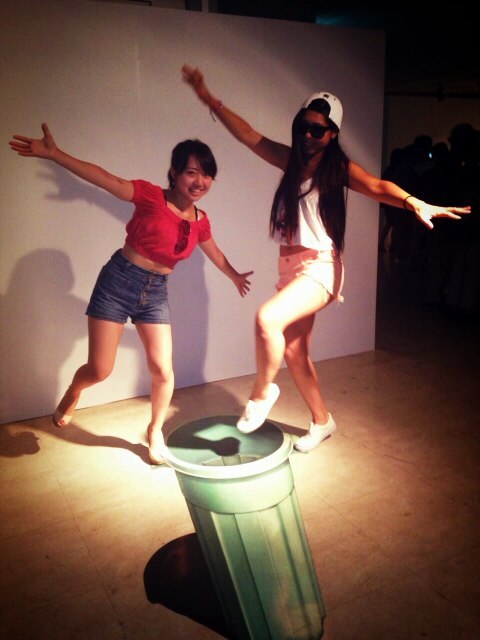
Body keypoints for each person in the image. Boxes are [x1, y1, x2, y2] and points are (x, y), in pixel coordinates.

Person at [181, 64, 471, 452]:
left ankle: (261, 394)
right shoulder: (290, 162)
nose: (307, 135)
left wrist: (412, 201)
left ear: (332, 133)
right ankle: (323, 421)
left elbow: (377, 185)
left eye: (317, 130)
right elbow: (248, 135)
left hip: (320, 268)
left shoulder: (338, 170)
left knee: (267, 319)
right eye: (303, 127)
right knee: (295, 353)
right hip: (290, 268)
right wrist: (208, 98)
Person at [9, 123, 253, 464]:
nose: (200, 182)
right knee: (100, 369)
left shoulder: (200, 220)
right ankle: (74, 391)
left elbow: (213, 251)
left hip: (155, 293)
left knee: (163, 370)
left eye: (207, 175)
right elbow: (104, 178)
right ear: (174, 172)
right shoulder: (152, 196)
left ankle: (155, 431)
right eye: (192, 172)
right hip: (117, 282)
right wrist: (56, 154)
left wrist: (234, 275)